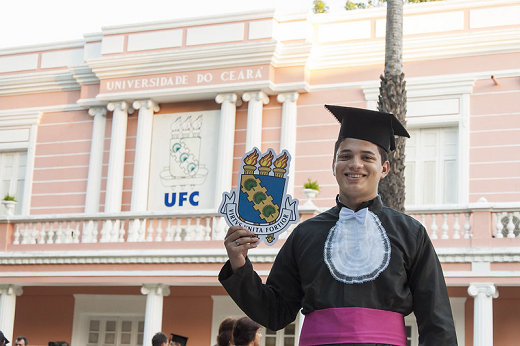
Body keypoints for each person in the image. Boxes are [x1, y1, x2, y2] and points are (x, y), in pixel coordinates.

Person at [219, 105, 458, 345]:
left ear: (384, 169)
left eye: (367, 157)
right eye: (345, 156)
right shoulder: (305, 234)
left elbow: (437, 320)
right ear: (333, 165)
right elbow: (275, 313)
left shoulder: (411, 233)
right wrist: (239, 264)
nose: (355, 164)